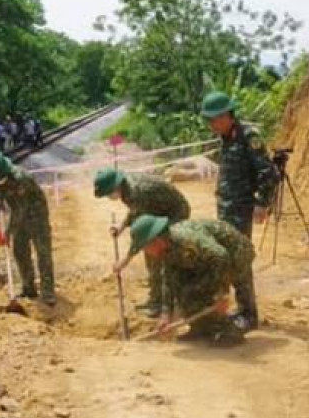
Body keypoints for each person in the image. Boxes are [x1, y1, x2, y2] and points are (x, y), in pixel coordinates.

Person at [200, 91, 279, 330]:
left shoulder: (248, 136)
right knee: (228, 258)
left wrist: (262, 204)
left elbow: (268, 173)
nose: (211, 125)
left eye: (214, 120)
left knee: (239, 259)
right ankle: (240, 307)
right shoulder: (226, 137)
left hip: (241, 209)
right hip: (226, 208)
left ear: (227, 116)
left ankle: (248, 314)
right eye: (210, 120)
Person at [125, 215, 255, 345]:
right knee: (185, 290)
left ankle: (231, 331)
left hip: (234, 252)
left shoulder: (186, 241)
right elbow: (168, 279)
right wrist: (166, 314)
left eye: (145, 248)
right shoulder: (166, 248)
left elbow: (221, 256)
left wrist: (221, 293)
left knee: (208, 292)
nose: (146, 252)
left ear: (156, 241)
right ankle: (200, 327)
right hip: (205, 261)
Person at [94, 168, 190, 317]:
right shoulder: (127, 188)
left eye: (108, 193)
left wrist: (124, 261)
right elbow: (135, 211)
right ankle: (156, 298)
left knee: (159, 254)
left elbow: (142, 235)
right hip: (158, 211)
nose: (108, 197)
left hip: (175, 214)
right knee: (151, 255)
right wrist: (121, 227)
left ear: (115, 187)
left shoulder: (137, 191)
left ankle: (161, 304)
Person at [0, 152, 56, 306]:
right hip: (19, 216)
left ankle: (48, 292)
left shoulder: (21, 178)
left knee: (43, 253)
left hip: (37, 216)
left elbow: (20, 210)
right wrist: (0, 202)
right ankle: (29, 288)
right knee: (20, 252)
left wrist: (8, 232)